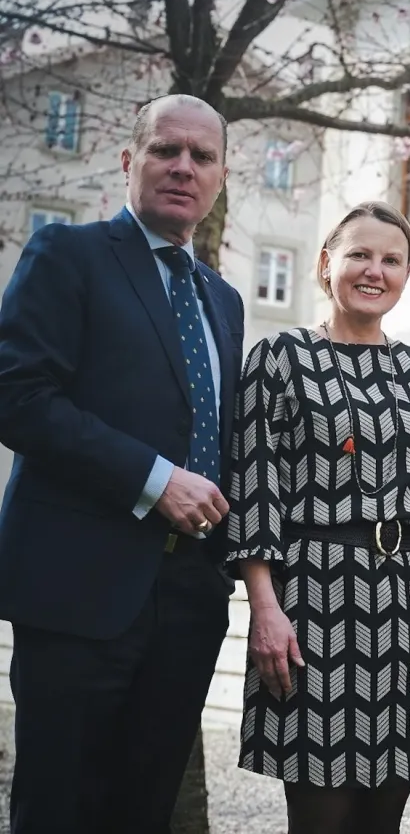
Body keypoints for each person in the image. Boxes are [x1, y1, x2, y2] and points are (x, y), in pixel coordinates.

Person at [0, 94, 244, 833]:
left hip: (190, 600)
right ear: (128, 160)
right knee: (58, 808)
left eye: (202, 157)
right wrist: (154, 477)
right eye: (166, 150)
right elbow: (17, 396)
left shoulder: (224, 300)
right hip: (80, 593)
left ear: (221, 176)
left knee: (144, 811)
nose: (182, 167)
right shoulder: (67, 255)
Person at [223, 201, 410, 833]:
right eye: (359, 254)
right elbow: (256, 488)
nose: (374, 270)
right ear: (326, 263)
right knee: (321, 815)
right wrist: (264, 608)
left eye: (391, 259)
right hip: (314, 611)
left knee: (384, 816)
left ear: (407, 274)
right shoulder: (280, 358)